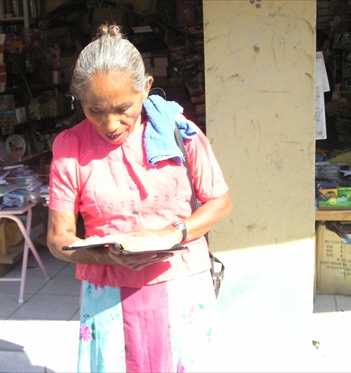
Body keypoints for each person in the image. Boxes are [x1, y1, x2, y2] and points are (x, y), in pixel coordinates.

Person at [47, 23, 233, 372]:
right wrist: (108, 258)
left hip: (181, 288)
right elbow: (59, 240)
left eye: (123, 108)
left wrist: (173, 233)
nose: (111, 123)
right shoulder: (70, 147)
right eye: (95, 110)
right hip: (108, 296)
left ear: (146, 88)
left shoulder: (180, 132)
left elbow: (220, 201)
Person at [316, 29, 348, 151]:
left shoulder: (326, 69)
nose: (328, 53)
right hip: (315, 131)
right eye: (324, 49)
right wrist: (325, 107)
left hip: (328, 126)